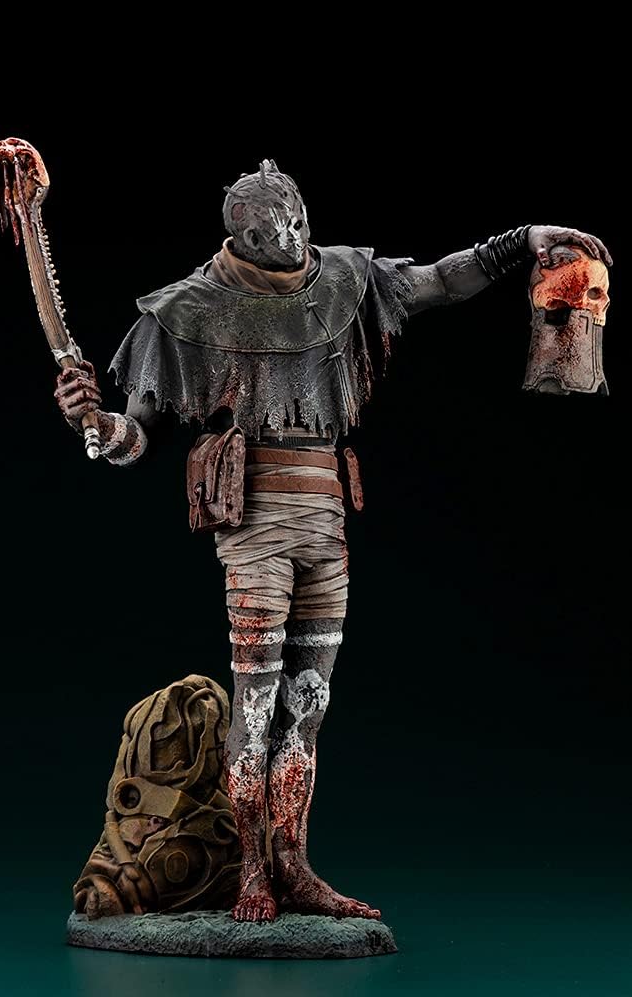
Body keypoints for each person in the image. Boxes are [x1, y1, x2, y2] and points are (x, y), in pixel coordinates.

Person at [54, 159, 612, 923]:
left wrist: (523, 239)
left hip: (324, 517)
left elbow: (440, 280)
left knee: (307, 705)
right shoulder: (187, 308)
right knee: (254, 709)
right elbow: (133, 438)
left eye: (297, 220)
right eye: (271, 230)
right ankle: (252, 873)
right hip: (254, 528)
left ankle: (294, 866)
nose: (290, 237)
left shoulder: (347, 277)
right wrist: (93, 425)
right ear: (241, 236)